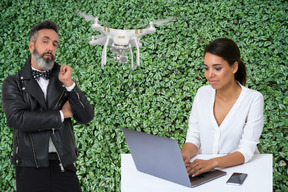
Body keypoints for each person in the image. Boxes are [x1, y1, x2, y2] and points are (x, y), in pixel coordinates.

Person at [1, 20, 94, 192]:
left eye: (54, 44)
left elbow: (86, 116)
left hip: (63, 164)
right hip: (29, 168)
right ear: (31, 46)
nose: (50, 47)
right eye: (45, 41)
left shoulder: (63, 78)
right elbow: (16, 118)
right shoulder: (12, 82)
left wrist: (70, 85)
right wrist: (60, 115)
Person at [181, 38, 264, 177]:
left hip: (239, 172)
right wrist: (184, 155)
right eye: (206, 68)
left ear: (234, 67)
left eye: (217, 68)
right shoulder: (202, 93)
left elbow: (246, 151)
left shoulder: (253, 99)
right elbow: (193, 138)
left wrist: (212, 163)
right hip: (203, 173)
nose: (210, 74)